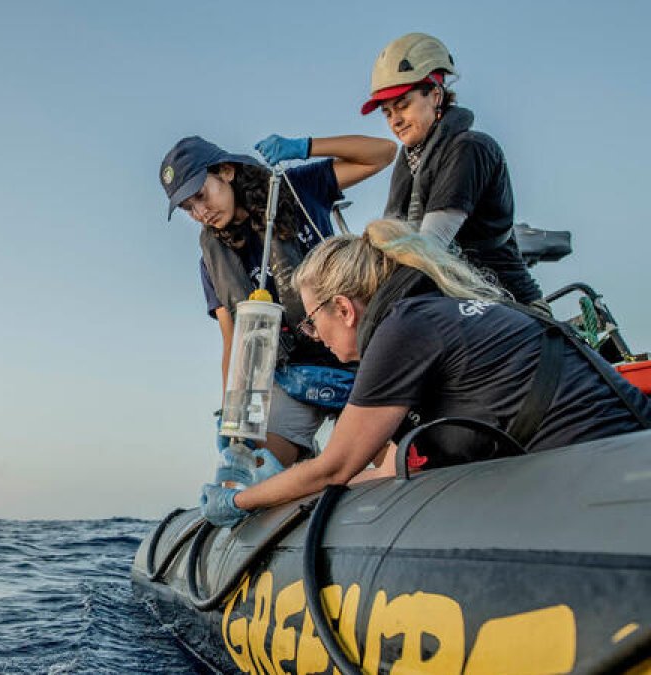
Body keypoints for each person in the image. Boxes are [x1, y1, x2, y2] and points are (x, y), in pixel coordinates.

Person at [199, 219, 651, 527]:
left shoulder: (403, 328)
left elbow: (334, 467)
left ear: (343, 309)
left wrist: (241, 500)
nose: (316, 336)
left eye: (313, 322)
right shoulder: (430, 314)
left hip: (610, 479)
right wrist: (279, 487)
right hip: (613, 461)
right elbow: (389, 467)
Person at [160, 134, 396, 466]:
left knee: (394, 461)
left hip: (356, 358)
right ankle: (301, 465)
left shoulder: (295, 190)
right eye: (188, 208)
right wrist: (234, 410)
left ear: (226, 171)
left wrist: (306, 147)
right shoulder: (212, 260)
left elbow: (382, 154)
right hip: (294, 375)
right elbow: (234, 339)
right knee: (252, 467)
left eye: (201, 195)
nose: (200, 212)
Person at [258, 33, 543, 305]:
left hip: (505, 303)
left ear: (435, 95)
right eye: (388, 113)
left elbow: (429, 247)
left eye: (403, 105)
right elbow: (391, 237)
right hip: (460, 301)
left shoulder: (469, 148)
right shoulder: (411, 159)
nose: (395, 120)